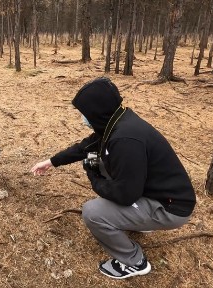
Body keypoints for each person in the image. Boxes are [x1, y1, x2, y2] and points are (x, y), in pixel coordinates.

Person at [30, 77, 196, 279]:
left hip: (170, 208)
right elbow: (86, 147)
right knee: (101, 163)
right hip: (160, 192)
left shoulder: (125, 140)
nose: (83, 118)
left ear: (97, 111)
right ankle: (137, 220)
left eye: (85, 113)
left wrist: (92, 176)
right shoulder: (118, 121)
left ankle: (134, 262)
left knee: (93, 212)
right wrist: (52, 161)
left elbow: (125, 195)